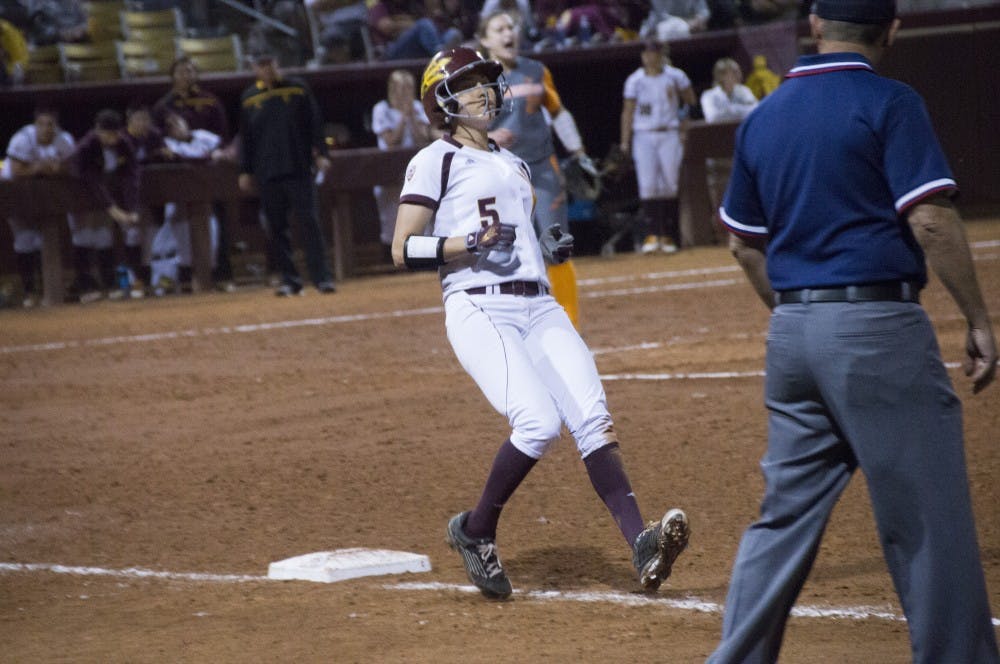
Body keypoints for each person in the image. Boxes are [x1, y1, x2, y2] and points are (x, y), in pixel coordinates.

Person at [709, 1, 999, 661]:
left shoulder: (763, 115)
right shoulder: (889, 101)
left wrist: (793, 318)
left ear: (816, 24)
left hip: (794, 335)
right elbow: (929, 218)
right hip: (877, 333)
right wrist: (979, 320)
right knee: (928, 520)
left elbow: (742, 247)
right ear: (891, 30)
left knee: (781, 521)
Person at [392, 46, 690, 600]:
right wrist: (463, 244)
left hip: (540, 304)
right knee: (537, 422)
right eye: (469, 84)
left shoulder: (514, 162)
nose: (483, 91)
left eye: (486, 81)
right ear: (444, 100)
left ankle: (641, 542)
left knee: (593, 420)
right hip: (480, 304)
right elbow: (402, 247)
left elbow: (517, 230)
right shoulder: (437, 158)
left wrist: (544, 242)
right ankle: (475, 530)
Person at [479, 10, 597, 327]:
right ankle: (521, 323)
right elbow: (452, 129)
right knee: (508, 252)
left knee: (555, 246)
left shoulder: (536, 71)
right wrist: (486, 137)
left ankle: (568, 326)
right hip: (499, 176)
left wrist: (579, 151)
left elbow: (558, 113)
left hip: (542, 169)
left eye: (512, 27)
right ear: (485, 39)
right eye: (499, 28)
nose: (508, 33)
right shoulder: (475, 79)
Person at [238, 51, 336, 296]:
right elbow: (247, 139)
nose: (267, 68)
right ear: (254, 68)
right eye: (261, 64)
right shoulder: (249, 99)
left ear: (277, 63)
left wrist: (322, 153)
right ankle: (290, 280)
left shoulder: (298, 89)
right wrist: (245, 171)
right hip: (267, 173)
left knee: (310, 223)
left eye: (269, 62)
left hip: (299, 168)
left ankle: (322, 278)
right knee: (276, 228)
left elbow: (315, 124)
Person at [153, 56, 235, 291]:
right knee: (175, 227)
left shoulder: (210, 101)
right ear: (173, 76)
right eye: (180, 72)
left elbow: (223, 137)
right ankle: (182, 277)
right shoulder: (163, 106)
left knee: (218, 221)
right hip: (177, 177)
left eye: (189, 71)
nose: (185, 76)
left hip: (209, 172)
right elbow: (156, 141)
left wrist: (218, 152)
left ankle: (222, 273)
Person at [619, 39, 696, 254]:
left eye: (654, 52)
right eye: (646, 53)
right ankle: (653, 234)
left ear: (662, 54)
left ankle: (670, 235)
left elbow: (690, 100)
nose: (650, 57)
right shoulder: (635, 80)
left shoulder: (675, 76)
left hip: (669, 132)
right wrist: (625, 141)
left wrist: (683, 120)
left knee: (670, 183)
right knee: (648, 184)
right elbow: (628, 111)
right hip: (644, 134)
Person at [2, 107, 76, 307]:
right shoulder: (22, 138)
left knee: (50, 239)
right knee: (25, 240)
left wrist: (58, 169)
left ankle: (52, 288)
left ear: (56, 126)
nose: (45, 128)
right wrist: (39, 167)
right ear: (35, 125)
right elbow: (17, 171)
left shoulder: (64, 140)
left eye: (50, 124)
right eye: (41, 124)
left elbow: (72, 167)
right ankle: (29, 291)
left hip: (47, 194)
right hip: (15, 191)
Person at [70, 108, 141, 303]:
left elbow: (132, 176)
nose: (114, 138)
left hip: (106, 195)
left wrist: (131, 208)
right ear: (98, 131)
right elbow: (90, 180)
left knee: (104, 237)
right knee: (84, 237)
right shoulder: (86, 147)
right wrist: (113, 209)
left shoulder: (123, 143)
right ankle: (85, 288)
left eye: (117, 133)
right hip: (79, 195)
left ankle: (110, 285)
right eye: (110, 134)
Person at [370, 69, 433, 257]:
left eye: (409, 88)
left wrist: (412, 116)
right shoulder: (381, 108)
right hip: (388, 169)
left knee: (423, 213)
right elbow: (390, 141)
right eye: (401, 88)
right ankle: (392, 257)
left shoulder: (417, 107)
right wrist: (403, 118)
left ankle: (422, 257)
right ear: (392, 89)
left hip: (415, 170)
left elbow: (422, 139)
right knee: (391, 217)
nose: (405, 92)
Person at [700, 57, 757, 242]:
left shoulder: (745, 91)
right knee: (719, 196)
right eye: (731, 72)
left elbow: (754, 111)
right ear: (721, 75)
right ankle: (720, 237)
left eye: (736, 72)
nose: (736, 76)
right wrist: (738, 110)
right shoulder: (709, 95)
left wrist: (730, 109)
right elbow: (713, 116)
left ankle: (744, 233)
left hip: (742, 151)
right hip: (717, 153)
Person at [367, 0, 463, 61]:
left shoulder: (411, 5)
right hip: (390, 51)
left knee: (452, 33)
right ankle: (439, 54)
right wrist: (412, 25)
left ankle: (444, 52)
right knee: (423, 25)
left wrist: (403, 24)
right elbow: (386, 27)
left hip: (416, 49)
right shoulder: (380, 6)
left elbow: (431, 23)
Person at [639, 0, 710, 41]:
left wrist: (698, 21)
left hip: (691, 37)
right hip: (664, 39)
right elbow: (654, 20)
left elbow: (703, 13)